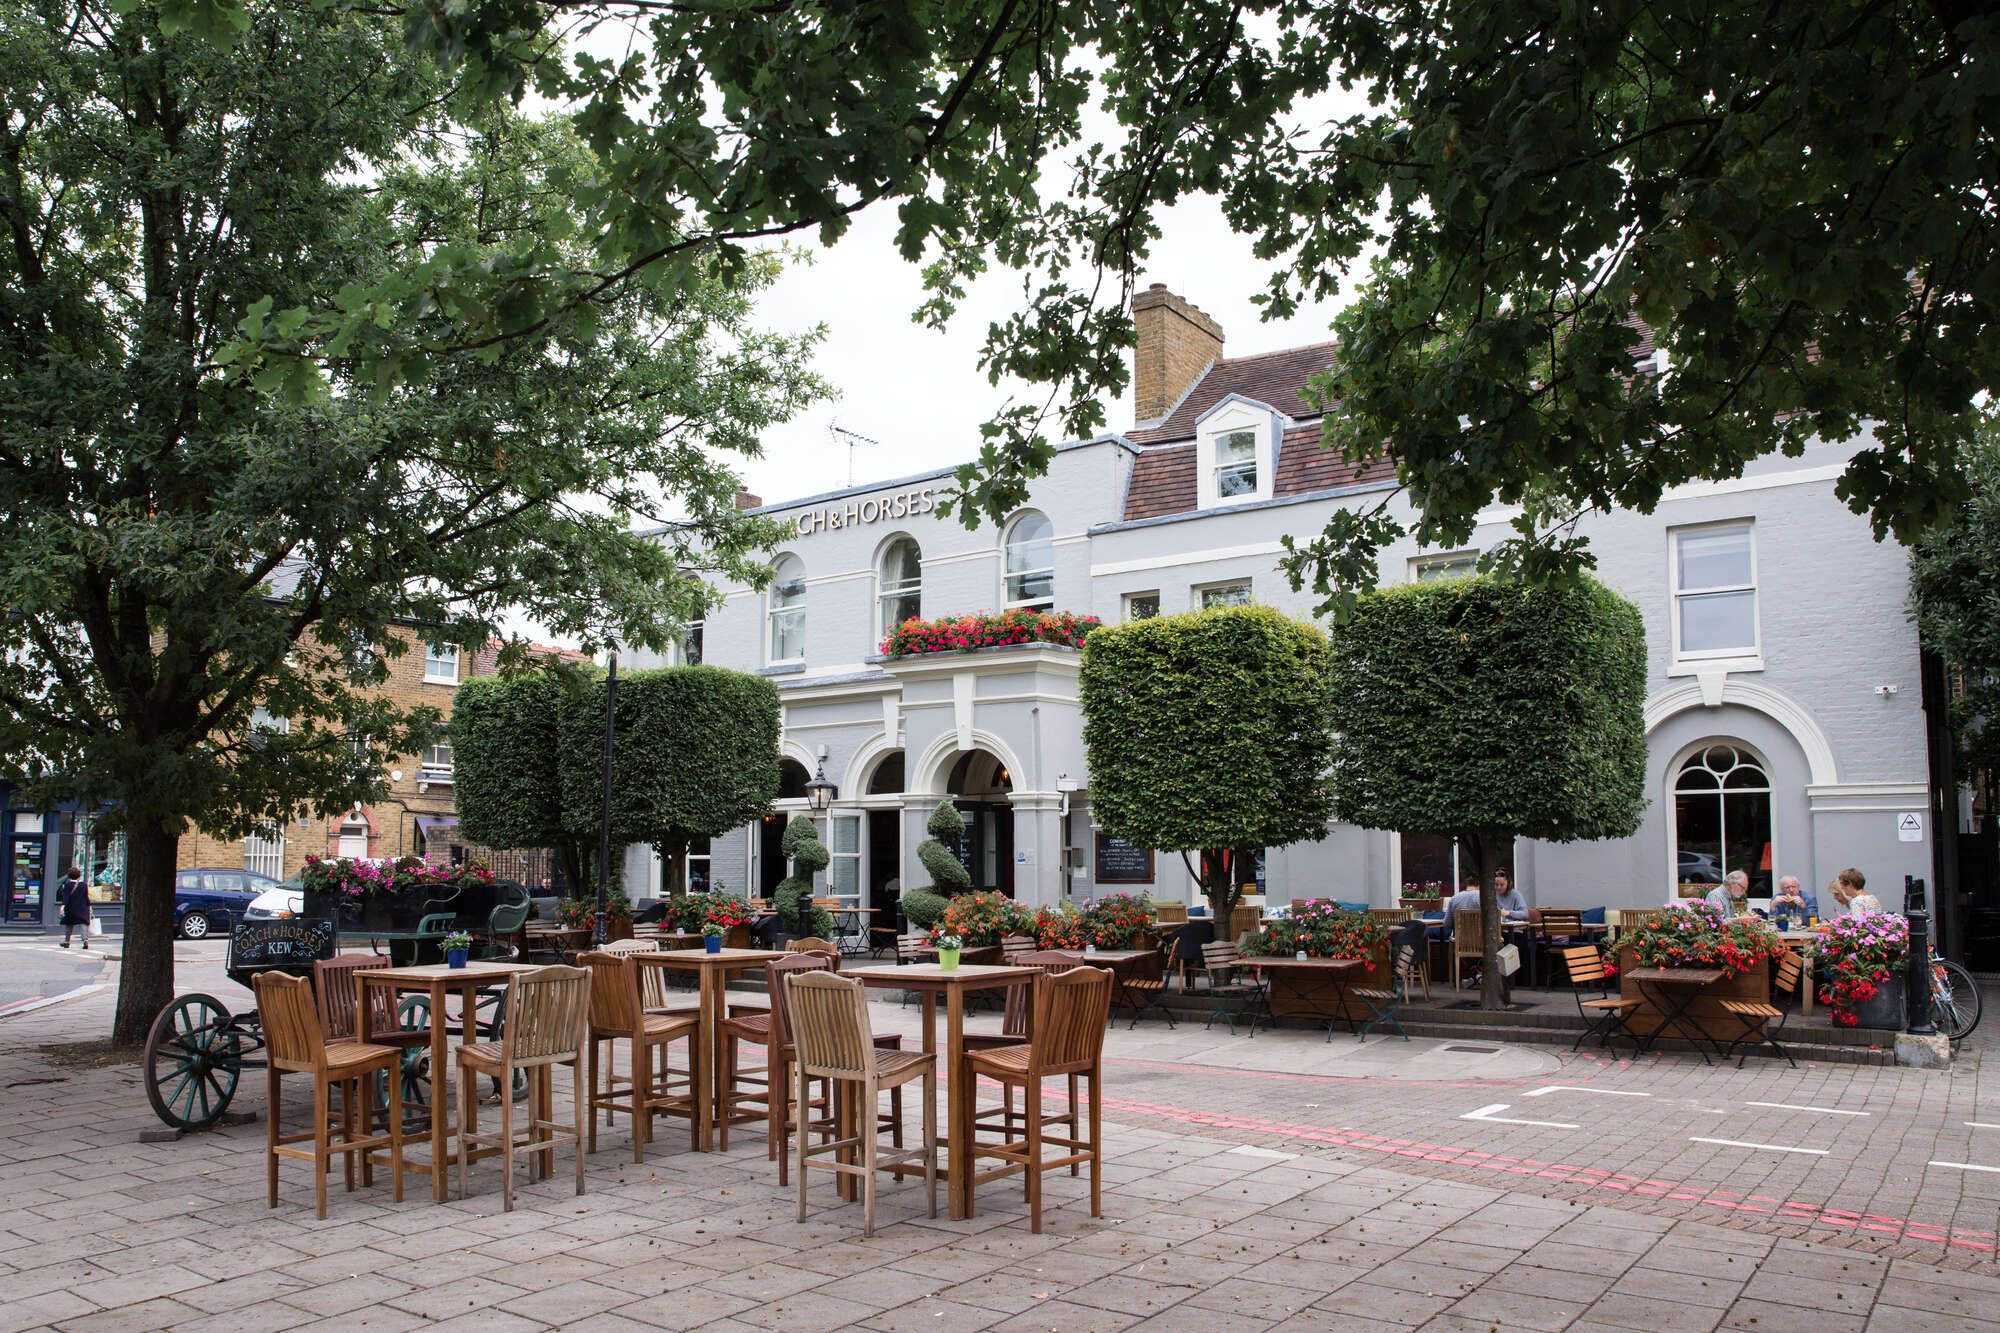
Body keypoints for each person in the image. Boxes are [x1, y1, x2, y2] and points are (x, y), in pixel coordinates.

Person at [57, 865, 91, 949]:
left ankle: (67, 941)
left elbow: (66, 897)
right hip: (82, 907)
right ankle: (85, 940)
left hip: (71, 907)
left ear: (69, 875)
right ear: (79, 875)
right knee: (84, 922)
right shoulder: (83, 885)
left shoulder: (67, 885)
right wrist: (89, 906)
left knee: (69, 923)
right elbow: (86, 896)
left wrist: (62, 907)